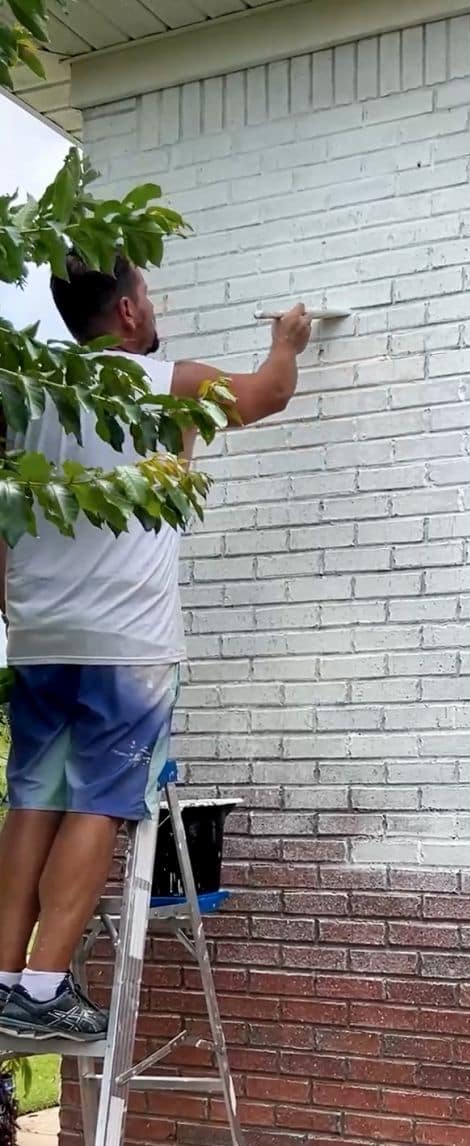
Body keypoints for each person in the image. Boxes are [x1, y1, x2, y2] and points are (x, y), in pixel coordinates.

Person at [0, 253, 311, 1040]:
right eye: (148, 291)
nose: (155, 302)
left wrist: (14, 601)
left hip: (41, 634)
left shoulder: (33, 402)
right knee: (100, 801)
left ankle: (3, 976)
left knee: (35, 797)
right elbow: (268, 394)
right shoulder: (160, 383)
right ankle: (42, 991)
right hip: (123, 642)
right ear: (130, 313)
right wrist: (288, 340)